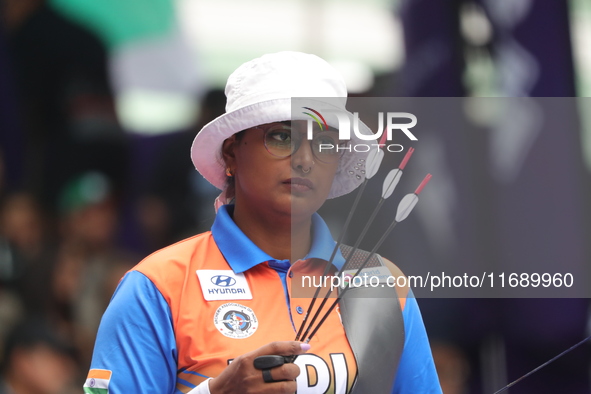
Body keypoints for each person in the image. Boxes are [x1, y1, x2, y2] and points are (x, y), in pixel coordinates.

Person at [85, 51, 441, 393]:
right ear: (231, 153)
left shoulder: (381, 282)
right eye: (282, 136)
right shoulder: (159, 286)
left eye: (326, 143)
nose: (304, 160)